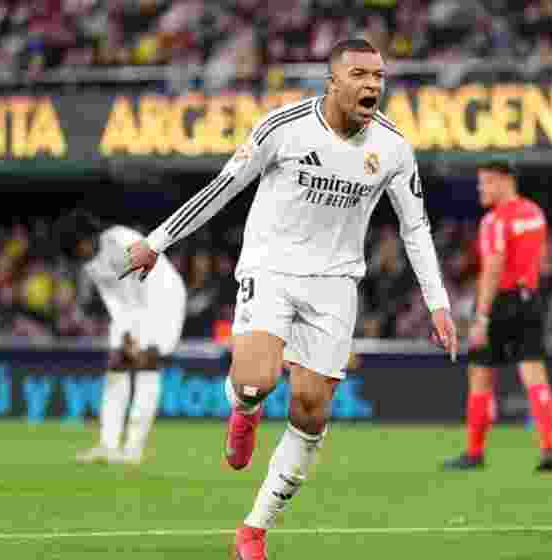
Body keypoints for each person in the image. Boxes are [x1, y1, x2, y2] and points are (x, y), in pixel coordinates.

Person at [122, 38, 458, 560]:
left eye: (379, 76)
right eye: (360, 74)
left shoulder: (393, 147)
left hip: (335, 286)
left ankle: (254, 528)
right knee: (255, 380)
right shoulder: (283, 127)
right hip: (271, 270)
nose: (372, 85)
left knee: (311, 410)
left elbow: (415, 228)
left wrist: (437, 303)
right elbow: (221, 190)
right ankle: (245, 407)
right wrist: (156, 243)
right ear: (333, 81)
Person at [441, 159, 552, 473]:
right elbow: (538, 259)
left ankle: (475, 453)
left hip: (499, 301)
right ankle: (547, 449)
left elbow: (493, 267)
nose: (481, 189)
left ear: (504, 181)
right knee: (535, 375)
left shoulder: (494, 221)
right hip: (530, 298)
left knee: (480, 375)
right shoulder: (535, 214)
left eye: (486, 182)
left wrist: (481, 317)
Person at [53, 209, 186, 465]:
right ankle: (108, 445)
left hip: (162, 297)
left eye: (78, 245)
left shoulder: (119, 239)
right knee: (117, 366)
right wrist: (126, 331)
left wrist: (142, 332)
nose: (79, 253)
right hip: (131, 307)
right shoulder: (91, 263)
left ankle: (133, 448)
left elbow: (150, 277)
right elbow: (114, 299)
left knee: (147, 365)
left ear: (86, 237)